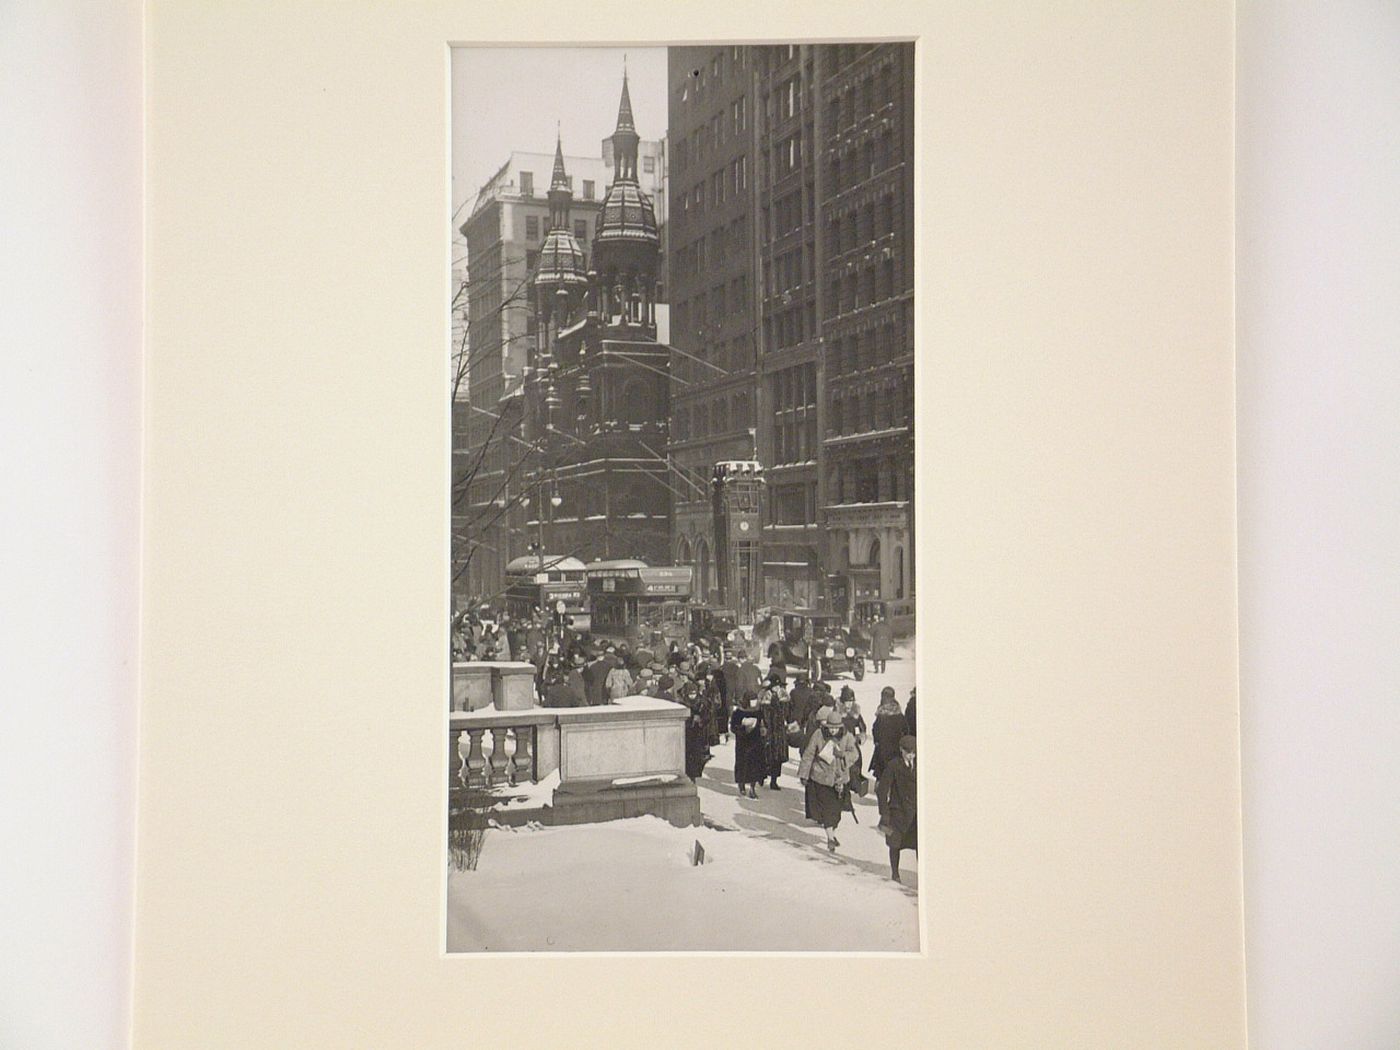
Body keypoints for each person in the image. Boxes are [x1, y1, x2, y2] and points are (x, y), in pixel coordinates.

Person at [798, 708, 858, 852]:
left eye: (835, 728)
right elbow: (809, 754)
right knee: (827, 811)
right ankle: (830, 838)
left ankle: (832, 833)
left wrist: (842, 754)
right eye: (830, 728)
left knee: (836, 813)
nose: (832, 731)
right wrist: (804, 774)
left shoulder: (847, 737)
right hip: (821, 779)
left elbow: (854, 754)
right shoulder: (818, 735)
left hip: (839, 781)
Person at [876, 734, 918, 881]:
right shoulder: (894, 765)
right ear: (901, 750)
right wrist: (885, 813)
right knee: (895, 844)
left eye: (913, 752)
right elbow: (882, 790)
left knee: (920, 844)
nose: (911, 756)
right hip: (897, 812)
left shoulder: (921, 765)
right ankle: (895, 873)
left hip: (915, 815)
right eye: (908, 752)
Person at [759, 671, 793, 790]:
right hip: (769, 730)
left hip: (779, 731)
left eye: (778, 685)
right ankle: (762, 775)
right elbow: (764, 713)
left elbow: (788, 713)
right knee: (766, 754)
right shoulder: (766, 696)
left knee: (778, 757)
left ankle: (774, 780)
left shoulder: (785, 696)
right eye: (774, 685)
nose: (776, 688)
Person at [731, 691, 766, 799]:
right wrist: (743, 729)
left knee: (755, 765)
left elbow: (763, 723)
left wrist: (763, 729)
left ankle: (752, 788)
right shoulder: (738, 712)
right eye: (752, 700)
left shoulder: (758, 711)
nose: (754, 702)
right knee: (743, 764)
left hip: (756, 742)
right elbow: (733, 727)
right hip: (743, 742)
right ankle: (741, 785)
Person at [869, 686, 910, 779]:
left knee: (884, 771)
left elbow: (875, 729)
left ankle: (883, 788)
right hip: (894, 749)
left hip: (884, 749)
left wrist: (877, 741)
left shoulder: (882, 714)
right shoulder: (898, 714)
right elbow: (906, 729)